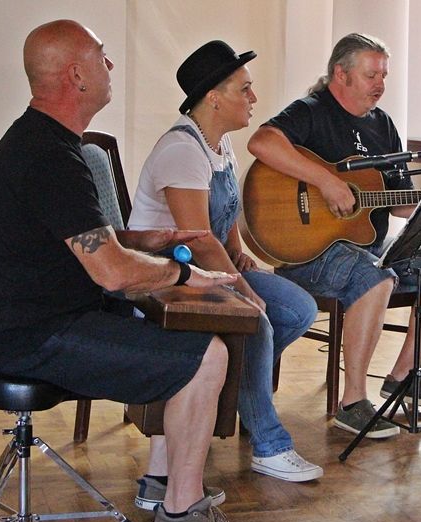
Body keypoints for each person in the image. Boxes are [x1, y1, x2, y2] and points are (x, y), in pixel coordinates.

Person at [0, 20, 262, 522]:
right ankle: (182, 513)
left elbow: (79, 240)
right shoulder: (49, 156)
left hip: (37, 322)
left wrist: (136, 239)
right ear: (76, 76)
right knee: (207, 358)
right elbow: (110, 273)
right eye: (101, 57)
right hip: (34, 337)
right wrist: (184, 274)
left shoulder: (45, 142)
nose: (110, 66)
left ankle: (162, 482)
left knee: (181, 335)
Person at [247, 33, 421, 437]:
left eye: (384, 75)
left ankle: (404, 376)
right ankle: (352, 403)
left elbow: (399, 201)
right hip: (310, 253)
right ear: (341, 74)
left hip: (368, 246)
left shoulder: (383, 125)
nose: (380, 84)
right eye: (371, 75)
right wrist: (326, 182)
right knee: (376, 277)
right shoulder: (313, 111)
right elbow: (261, 142)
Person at [128, 41, 321, 483]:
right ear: (214, 98)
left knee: (297, 309)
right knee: (258, 323)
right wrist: (245, 292)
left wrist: (239, 254)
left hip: (208, 267)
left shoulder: (220, 143)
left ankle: (227, 395)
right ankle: (268, 444)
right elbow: (197, 239)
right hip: (166, 277)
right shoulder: (181, 150)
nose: (254, 98)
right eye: (244, 89)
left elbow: (226, 211)